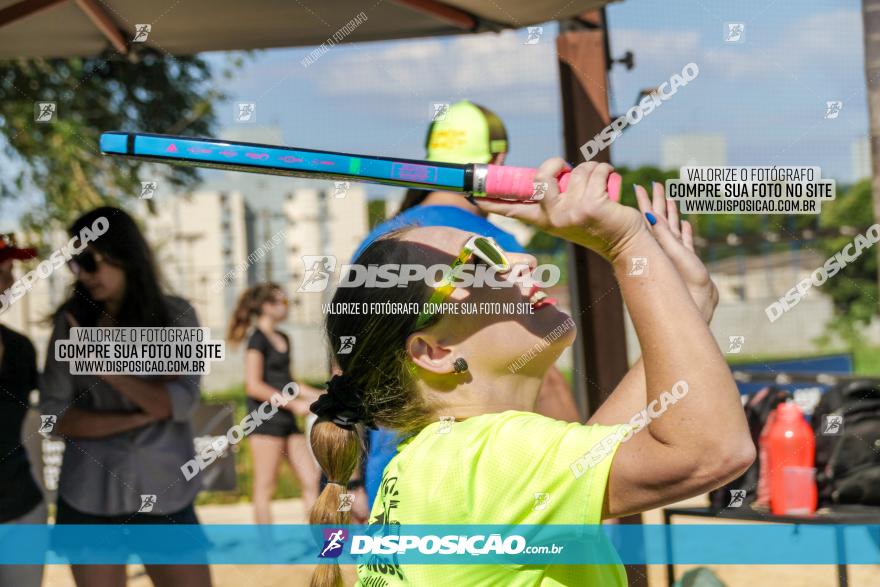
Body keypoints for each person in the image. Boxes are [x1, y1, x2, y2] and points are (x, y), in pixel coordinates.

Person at [308, 161, 754, 586]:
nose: (520, 263)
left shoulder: (438, 461)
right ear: (434, 351)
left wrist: (687, 306)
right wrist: (625, 243)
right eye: (482, 257)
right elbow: (713, 450)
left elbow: (587, 458)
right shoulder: (487, 461)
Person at [353, 99, 579, 506]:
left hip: (393, 474)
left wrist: (348, 480)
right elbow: (539, 369)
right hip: (485, 475)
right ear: (500, 159)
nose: (523, 267)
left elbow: (347, 366)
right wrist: (585, 465)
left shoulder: (379, 243)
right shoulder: (495, 245)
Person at [40, 207, 212, 587]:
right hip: (87, 497)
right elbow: (52, 417)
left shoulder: (176, 315)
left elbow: (179, 402)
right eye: (73, 263)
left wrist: (100, 361)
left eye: (88, 261)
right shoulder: (68, 322)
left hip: (166, 492)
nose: (81, 274)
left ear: (122, 253)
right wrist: (139, 415)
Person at [227, 282, 323, 522]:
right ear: (267, 307)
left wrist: (320, 394)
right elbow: (254, 385)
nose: (288, 306)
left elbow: (291, 383)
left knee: (311, 479)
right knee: (265, 486)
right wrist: (294, 404)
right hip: (265, 422)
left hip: (287, 422)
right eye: (284, 302)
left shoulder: (283, 337)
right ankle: (269, 553)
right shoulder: (256, 340)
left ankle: (318, 541)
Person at [0, 234, 46, 587]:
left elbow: (58, 408)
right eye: (3, 271)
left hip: (21, 512)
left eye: (12, 270)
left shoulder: (20, 348)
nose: (13, 281)